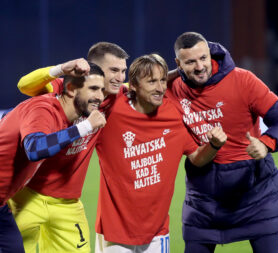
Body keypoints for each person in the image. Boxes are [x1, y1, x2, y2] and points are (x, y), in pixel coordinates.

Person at [0, 60, 106, 253]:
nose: (100, 97)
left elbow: (11, 117)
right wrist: (85, 127)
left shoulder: (55, 113)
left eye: (101, 90)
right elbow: (34, 149)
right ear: (71, 89)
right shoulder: (45, 109)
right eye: (93, 89)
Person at [168, 32, 278, 253]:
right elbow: (135, 84)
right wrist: (167, 76)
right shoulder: (172, 89)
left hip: (256, 195)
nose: (200, 67)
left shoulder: (243, 80)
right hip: (204, 201)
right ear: (178, 63)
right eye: (190, 62)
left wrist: (266, 144)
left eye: (203, 58)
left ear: (210, 54)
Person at [94, 53, 227, 253]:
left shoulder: (173, 114)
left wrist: (214, 145)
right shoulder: (112, 109)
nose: (160, 88)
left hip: (157, 233)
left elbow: (197, 158)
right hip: (114, 233)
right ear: (134, 86)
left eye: (163, 80)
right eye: (152, 82)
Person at [10, 42, 129, 253]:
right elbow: (23, 85)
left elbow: (152, 83)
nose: (120, 77)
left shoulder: (115, 97)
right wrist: (62, 68)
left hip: (68, 204)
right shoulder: (65, 89)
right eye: (114, 70)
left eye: (123, 71)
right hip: (27, 196)